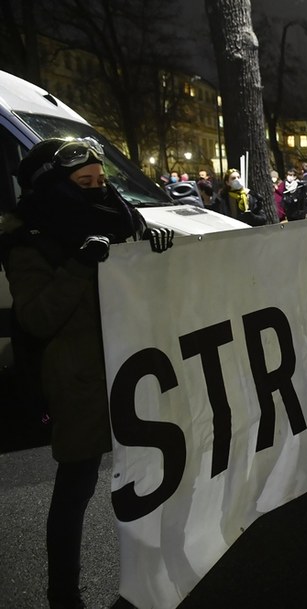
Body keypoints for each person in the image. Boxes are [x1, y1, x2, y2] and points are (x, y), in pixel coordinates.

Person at [1, 137, 173, 609]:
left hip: (136, 367)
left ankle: (158, 574)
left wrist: (157, 249)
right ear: (56, 186)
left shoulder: (120, 218)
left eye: (101, 181)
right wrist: (79, 264)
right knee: (76, 487)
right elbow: (36, 317)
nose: (98, 190)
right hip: (80, 378)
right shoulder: (28, 235)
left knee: (155, 474)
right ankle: (64, 596)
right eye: (84, 183)